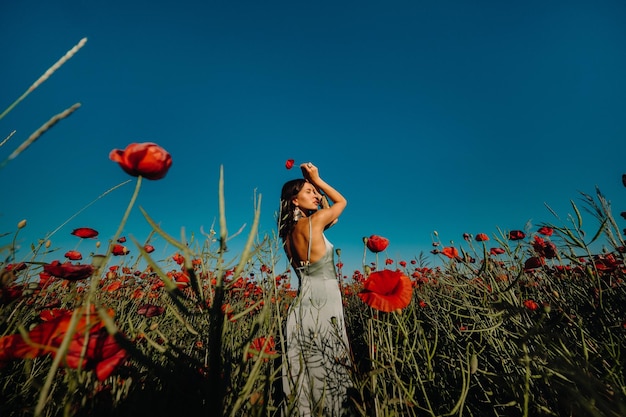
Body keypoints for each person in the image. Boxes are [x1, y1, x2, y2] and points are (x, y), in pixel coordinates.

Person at [279, 162, 352, 417]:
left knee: (304, 367)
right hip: (325, 299)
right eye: (309, 192)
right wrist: (317, 179)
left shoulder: (288, 235)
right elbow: (341, 203)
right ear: (294, 201)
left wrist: (315, 192)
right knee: (330, 363)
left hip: (302, 303)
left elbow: (332, 216)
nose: (317, 196)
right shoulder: (315, 222)